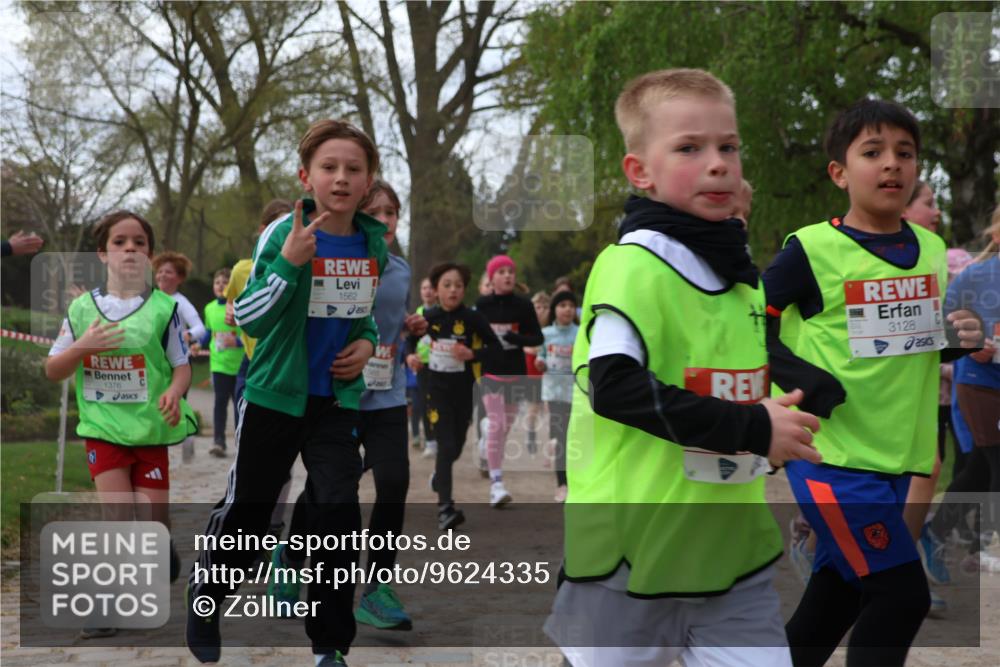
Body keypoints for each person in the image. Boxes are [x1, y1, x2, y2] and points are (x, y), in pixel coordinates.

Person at [545, 68, 822, 667]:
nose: (718, 164)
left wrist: (774, 433)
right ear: (639, 171)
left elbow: (731, 390)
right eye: (690, 148)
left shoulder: (742, 280)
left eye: (729, 147)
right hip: (630, 559)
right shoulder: (631, 266)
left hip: (732, 558)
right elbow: (614, 387)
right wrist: (753, 427)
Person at [765, 98, 983, 667]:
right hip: (831, 458)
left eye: (905, 153)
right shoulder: (810, 250)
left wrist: (953, 338)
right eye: (873, 152)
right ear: (839, 172)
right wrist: (803, 377)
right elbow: (743, 324)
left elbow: (906, 336)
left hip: (894, 458)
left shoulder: (931, 249)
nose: (892, 163)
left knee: (835, 599)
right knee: (902, 597)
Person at [186, 119, 387, 667]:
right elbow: (248, 317)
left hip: (335, 402)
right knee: (251, 519)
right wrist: (290, 264)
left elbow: (362, 317)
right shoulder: (283, 234)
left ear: (368, 181)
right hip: (275, 395)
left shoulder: (373, 242)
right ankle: (207, 595)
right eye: (329, 167)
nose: (341, 178)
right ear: (306, 176)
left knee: (338, 516)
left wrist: (367, 345)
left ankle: (330, 646)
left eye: (353, 169)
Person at [269, 178, 428, 631]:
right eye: (374, 213)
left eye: (391, 213)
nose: (385, 221)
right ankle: (290, 556)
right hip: (341, 395)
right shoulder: (335, 259)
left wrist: (409, 328)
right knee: (331, 487)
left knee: (394, 481)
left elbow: (390, 320)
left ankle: (376, 589)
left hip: (387, 394)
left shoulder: (400, 270)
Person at [45, 210, 197, 638]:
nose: (130, 249)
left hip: (149, 430)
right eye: (119, 242)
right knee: (117, 514)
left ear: (149, 254)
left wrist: (174, 392)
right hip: (103, 428)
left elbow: (181, 366)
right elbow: (53, 369)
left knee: (152, 520)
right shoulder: (81, 310)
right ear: (102, 253)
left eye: (139, 243)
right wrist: (83, 346)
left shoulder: (165, 309)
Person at [923, 206, 1000, 577]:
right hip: (979, 381)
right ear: (996, 235)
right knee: (995, 462)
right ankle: (986, 547)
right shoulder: (974, 276)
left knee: (979, 469)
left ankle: (936, 531)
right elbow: (942, 325)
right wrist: (973, 345)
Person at [406, 262, 501, 530]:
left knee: (456, 446)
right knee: (445, 446)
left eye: (458, 285)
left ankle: (440, 476)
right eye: (446, 285)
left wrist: (472, 354)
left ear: (464, 289)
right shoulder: (428, 317)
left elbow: (495, 347)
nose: (453, 290)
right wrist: (410, 357)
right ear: (436, 290)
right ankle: (445, 509)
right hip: (435, 390)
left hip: (464, 391)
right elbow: (410, 341)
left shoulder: (473, 318)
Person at [475, 255, 544, 506]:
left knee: (504, 427)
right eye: (501, 272)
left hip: (516, 372)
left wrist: (517, 340)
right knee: (498, 422)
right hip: (491, 371)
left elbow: (537, 338)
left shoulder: (523, 305)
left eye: (510, 272)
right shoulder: (482, 305)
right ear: (491, 278)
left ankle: (487, 440)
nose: (507, 276)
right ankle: (497, 483)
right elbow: (474, 337)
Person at [152, 250, 205, 463]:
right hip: (155, 362)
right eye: (160, 271)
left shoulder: (181, 302)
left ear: (180, 278)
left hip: (178, 363)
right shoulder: (149, 299)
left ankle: (187, 437)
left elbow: (200, 328)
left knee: (177, 403)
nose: (163, 275)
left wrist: (185, 335)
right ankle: (156, 445)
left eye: (169, 272)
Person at [534, 289, 578, 502]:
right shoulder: (546, 334)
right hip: (553, 392)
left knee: (573, 437)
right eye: (562, 305)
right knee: (561, 436)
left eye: (571, 305)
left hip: (575, 392)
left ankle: (575, 480)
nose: (567, 309)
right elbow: (541, 355)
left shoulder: (580, 333)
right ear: (555, 309)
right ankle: (562, 484)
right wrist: (540, 362)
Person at [202, 268, 242, 457]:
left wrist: (238, 342)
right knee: (220, 403)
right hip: (218, 364)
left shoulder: (239, 306)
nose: (220, 286)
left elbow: (251, 334)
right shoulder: (209, 308)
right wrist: (197, 344)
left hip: (240, 365)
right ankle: (218, 441)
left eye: (225, 282)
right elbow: (208, 333)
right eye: (217, 282)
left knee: (239, 405)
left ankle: (241, 442)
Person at [523, 291, 551, 456]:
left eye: (545, 307)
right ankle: (531, 433)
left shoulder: (552, 329)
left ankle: (552, 440)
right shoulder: (528, 327)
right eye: (538, 307)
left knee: (549, 409)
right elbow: (525, 347)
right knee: (533, 408)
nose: (541, 311)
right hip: (532, 374)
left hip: (549, 375)